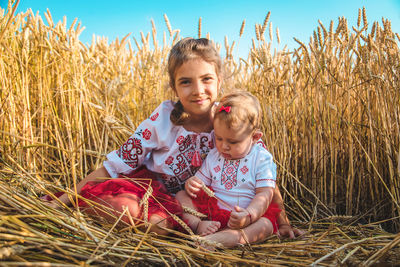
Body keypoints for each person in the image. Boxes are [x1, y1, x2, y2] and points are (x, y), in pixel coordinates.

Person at [44, 37, 302, 238]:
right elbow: (114, 165)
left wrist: (283, 222)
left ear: (220, 80)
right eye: (186, 82)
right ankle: (92, 206)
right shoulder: (163, 120)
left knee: (250, 224)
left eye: (207, 79)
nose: (198, 91)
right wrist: (64, 198)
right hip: (160, 197)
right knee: (150, 221)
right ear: (174, 86)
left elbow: (264, 171)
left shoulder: (231, 118)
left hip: (209, 207)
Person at [176, 91, 281, 248]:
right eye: (219, 138)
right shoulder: (214, 156)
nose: (223, 146)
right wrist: (192, 183)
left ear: (254, 137)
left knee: (265, 225)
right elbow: (200, 181)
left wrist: (250, 215)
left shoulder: (261, 158)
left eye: (232, 141)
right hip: (212, 214)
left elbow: (265, 194)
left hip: (245, 216)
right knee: (181, 195)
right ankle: (198, 225)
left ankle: (226, 239)